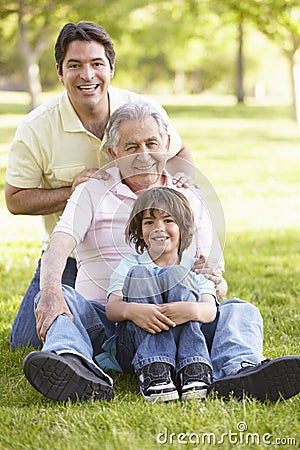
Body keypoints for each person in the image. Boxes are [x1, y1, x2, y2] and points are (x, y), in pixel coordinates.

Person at [22, 101, 300, 404]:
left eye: (151, 143)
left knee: (241, 310)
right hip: (114, 325)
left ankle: (240, 370)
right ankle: (74, 365)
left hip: (183, 325)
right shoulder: (92, 191)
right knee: (63, 298)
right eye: (131, 147)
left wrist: (213, 286)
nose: (143, 156)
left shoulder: (189, 195)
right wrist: (50, 291)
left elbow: (213, 277)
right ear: (114, 154)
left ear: (167, 145)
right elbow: (59, 244)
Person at [5, 21, 194, 349]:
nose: (87, 75)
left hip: (146, 248)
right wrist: (71, 190)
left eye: (96, 64)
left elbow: (178, 153)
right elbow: (15, 200)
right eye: (74, 65)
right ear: (60, 72)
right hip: (74, 253)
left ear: (111, 68)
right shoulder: (36, 128)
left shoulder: (140, 111)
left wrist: (181, 195)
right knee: (25, 340)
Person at [106, 187, 217, 402]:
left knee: (176, 273)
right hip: (136, 346)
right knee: (140, 274)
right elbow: (112, 308)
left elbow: (210, 309)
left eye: (168, 220)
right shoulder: (131, 264)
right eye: (149, 222)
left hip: (185, 344)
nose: (159, 228)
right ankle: (154, 371)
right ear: (139, 231)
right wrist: (134, 310)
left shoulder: (195, 266)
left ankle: (193, 368)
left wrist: (190, 309)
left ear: (183, 227)